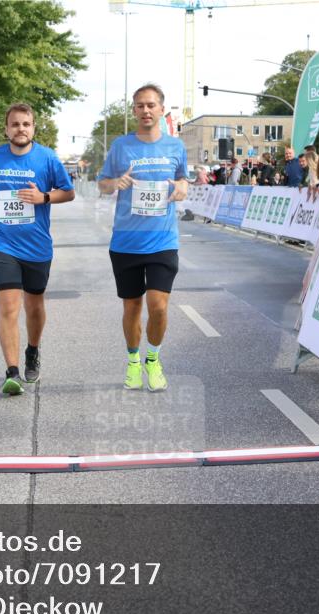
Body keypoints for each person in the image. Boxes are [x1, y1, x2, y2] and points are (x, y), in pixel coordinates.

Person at [0, 103, 75, 395]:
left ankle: (32, 350)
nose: (20, 129)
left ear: (33, 128)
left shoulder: (47, 158)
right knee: (8, 306)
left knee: (34, 306)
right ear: (6, 129)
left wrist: (44, 197)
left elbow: (68, 192)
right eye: (15, 124)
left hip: (37, 246)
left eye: (26, 124)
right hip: (3, 243)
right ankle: (12, 372)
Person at [98, 84, 188, 392]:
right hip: (126, 241)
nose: (145, 110)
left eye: (151, 105)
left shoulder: (175, 146)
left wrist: (183, 187)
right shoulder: (121, 146)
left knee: (158, 306)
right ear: (134, 111)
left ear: (161, 109)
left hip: (163, 240)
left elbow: (183, 179)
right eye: (140, 105)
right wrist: (116, 182)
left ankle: (153, 359)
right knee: (132, 307)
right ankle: (134, 361)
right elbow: (102, 184)